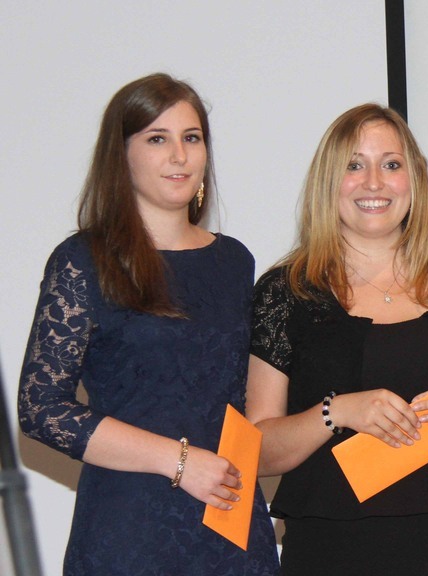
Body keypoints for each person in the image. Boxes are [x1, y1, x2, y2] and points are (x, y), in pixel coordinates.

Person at [247, 103, 428, 575]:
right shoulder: (286, 292)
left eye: (391, 165)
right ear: (327, 181)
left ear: (414, 178)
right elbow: (256, 450)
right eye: (354, 165)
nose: (374, 182)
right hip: (335, 555)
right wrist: (336, 412)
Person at [17, 73, 279, 575]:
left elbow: (242, 400)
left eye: (191, 138)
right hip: (129, 527)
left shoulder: (234, 261)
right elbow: (40, 408)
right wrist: (179, 461)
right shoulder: (84, 259)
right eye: (157, 139)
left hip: (230, 524)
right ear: (121, 155)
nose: (179, 155)